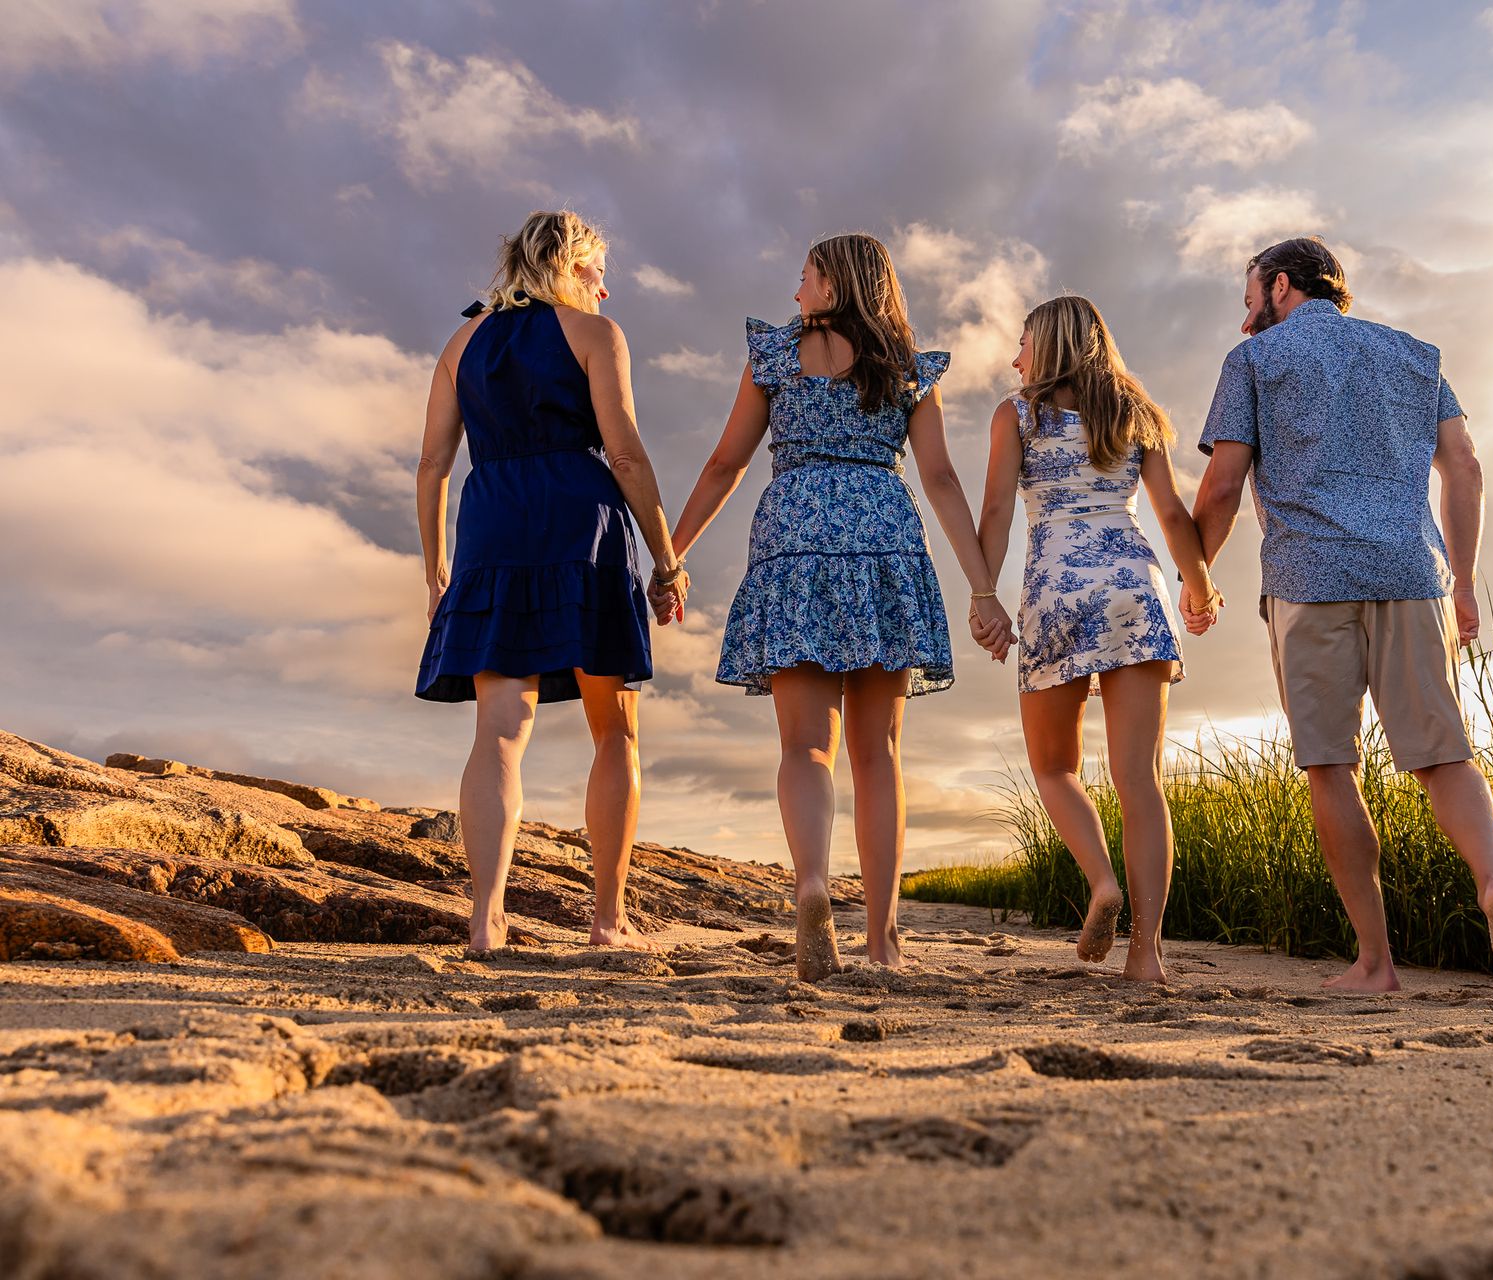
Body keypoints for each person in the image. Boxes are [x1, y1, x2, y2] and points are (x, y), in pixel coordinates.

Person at [1190, 236, 1493, 996]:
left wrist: (1198, 576)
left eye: (1249, 297)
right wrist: (1462, 581)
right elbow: (1466, 467)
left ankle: (1375, 963)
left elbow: (1222, 485)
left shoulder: (1253, 360)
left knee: (1331, 764)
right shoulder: (1414, 355)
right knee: (1443, 754)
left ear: (1280, 286)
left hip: (1309, 576)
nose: (1245, 314)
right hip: (1412, 574)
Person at [668, 233, 1011, 981]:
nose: (795, 293)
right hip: (883, 537)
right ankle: (882, 939)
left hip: (794, 539)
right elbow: (942, 480)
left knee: (804, 747)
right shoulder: (906, 366)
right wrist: (983, 587)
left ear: (833, 284)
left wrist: (673, 553)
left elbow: (724, 463)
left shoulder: (773, 356)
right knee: (878, 752)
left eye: (804, 278)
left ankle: (813, 884)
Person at [416, 210, 688, 953]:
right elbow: (625, 455)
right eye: (598, 271)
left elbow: (434, 465)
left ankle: (486, 919)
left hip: (492, 528)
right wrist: (668, 562)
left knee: (499, 731)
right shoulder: (596, 335)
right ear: (568, 266)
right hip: (582, 527)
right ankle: (608, 920)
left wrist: (437, 573)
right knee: (616, 731)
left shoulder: (462, 343)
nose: (605, 288)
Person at [972, 296, 1220, 984]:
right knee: (1141, 781)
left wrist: (983, 594)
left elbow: (996, 510)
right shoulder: (1138, 414)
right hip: (1134, 587)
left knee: (1056, 768)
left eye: (1023, 343)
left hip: (1057, 591)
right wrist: (1201, 588)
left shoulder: (1017, 414)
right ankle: (1147, 954)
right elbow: (1171, 514)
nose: (1015, 358)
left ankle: (1102, 882)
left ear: (1049, 346)